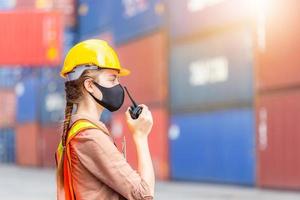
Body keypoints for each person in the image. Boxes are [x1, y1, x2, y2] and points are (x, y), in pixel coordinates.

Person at [55, 39, 155, 200]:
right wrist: (141, 137)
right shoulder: (89, 136)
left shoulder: (75, 131)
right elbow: (144, 195)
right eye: (112, 79)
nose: (118, 86)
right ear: (89, 85)